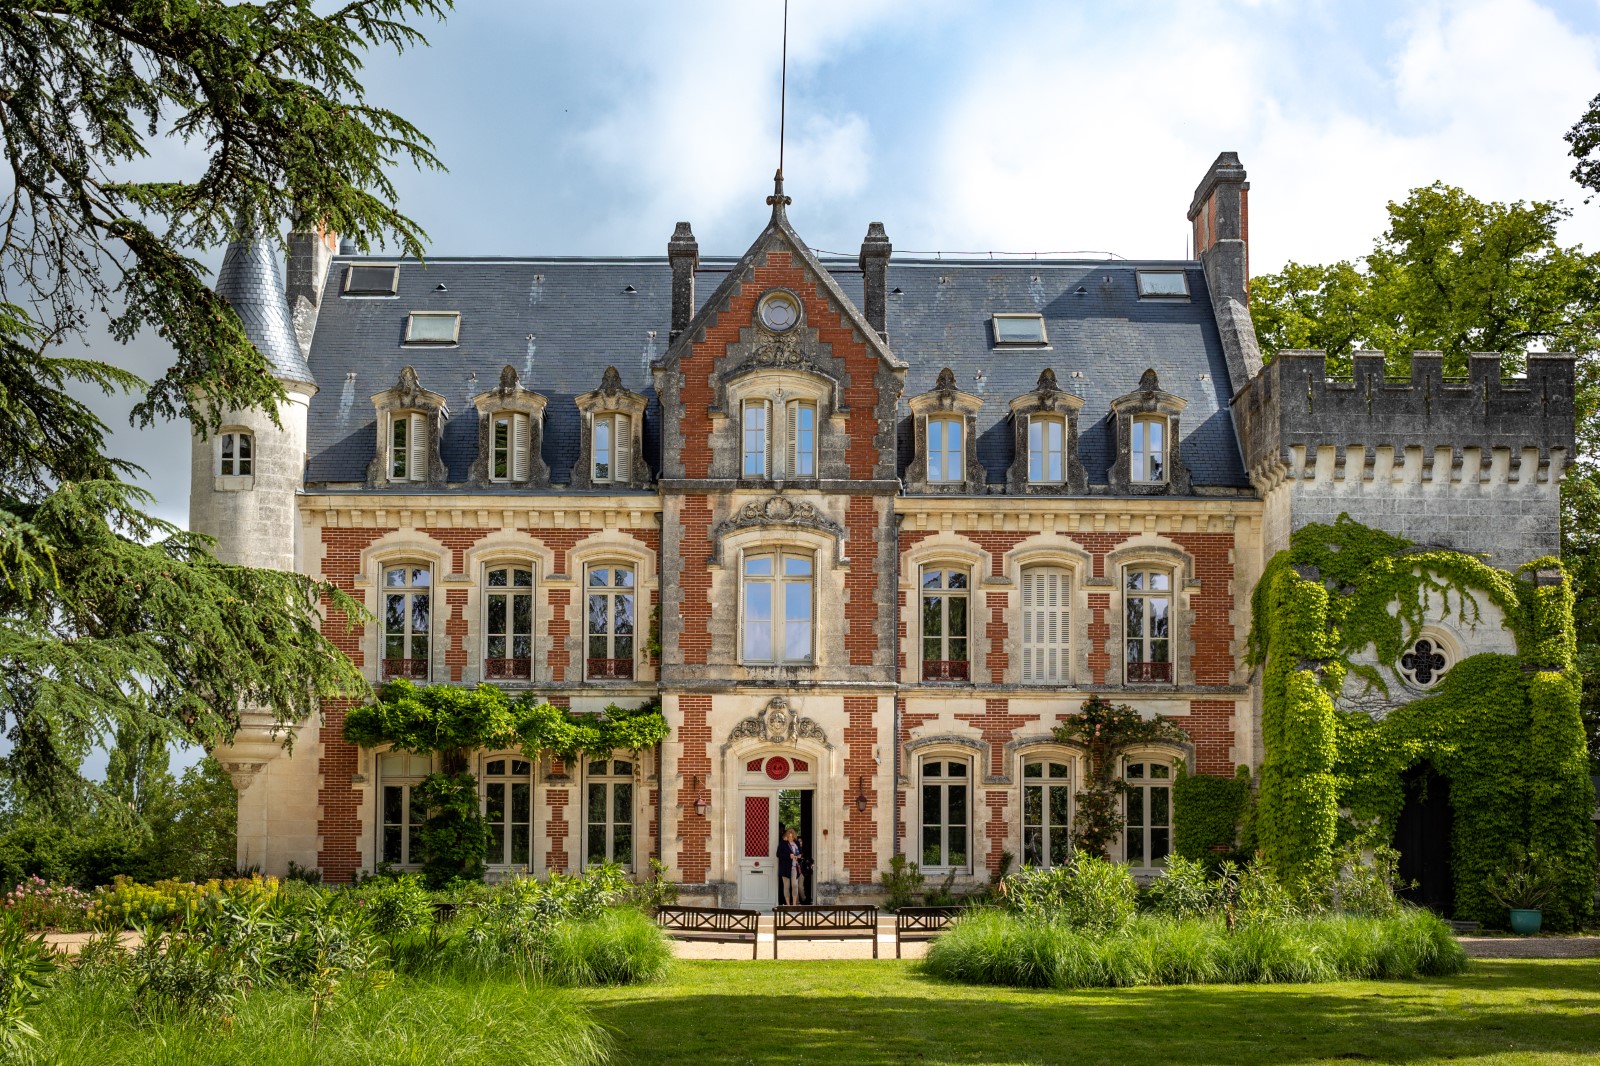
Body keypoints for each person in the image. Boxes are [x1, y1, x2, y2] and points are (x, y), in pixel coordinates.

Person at [776, 828, 803, 906]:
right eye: (789, 836)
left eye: (792, 836)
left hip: (794, 866)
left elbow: (800, 852)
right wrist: (789, 856)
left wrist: (799, 855)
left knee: (795, 885)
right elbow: (778, 854)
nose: (790, 838)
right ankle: (788, 904)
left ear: (794, 836)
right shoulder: (783, 843)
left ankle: (794, 904)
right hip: (785, 867)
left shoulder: (796, 843)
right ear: (786, 836)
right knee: (786, 886)